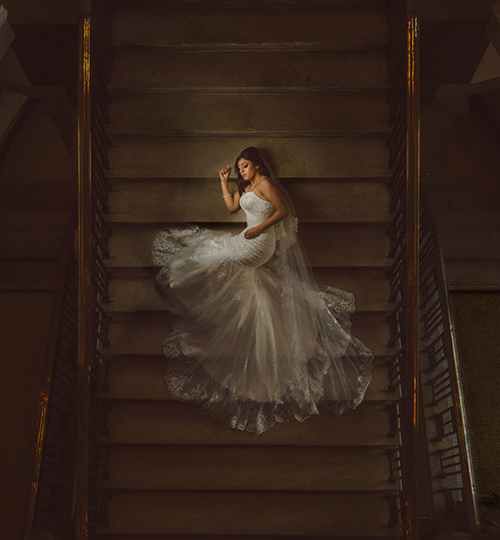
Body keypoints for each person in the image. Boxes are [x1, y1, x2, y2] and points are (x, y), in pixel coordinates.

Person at [152, 146, 373, 434]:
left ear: (257, 165)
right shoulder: (246, 185)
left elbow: (282, 212)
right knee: (221, 257)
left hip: (260, 243)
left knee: (218, 259)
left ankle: (204, 295)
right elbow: (232, 208)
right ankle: (219, 299)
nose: (242, 171)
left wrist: (259, 229)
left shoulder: (266, 184)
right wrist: (224, 180)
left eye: (245, 166)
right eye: (239, 167)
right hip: (248, 237)